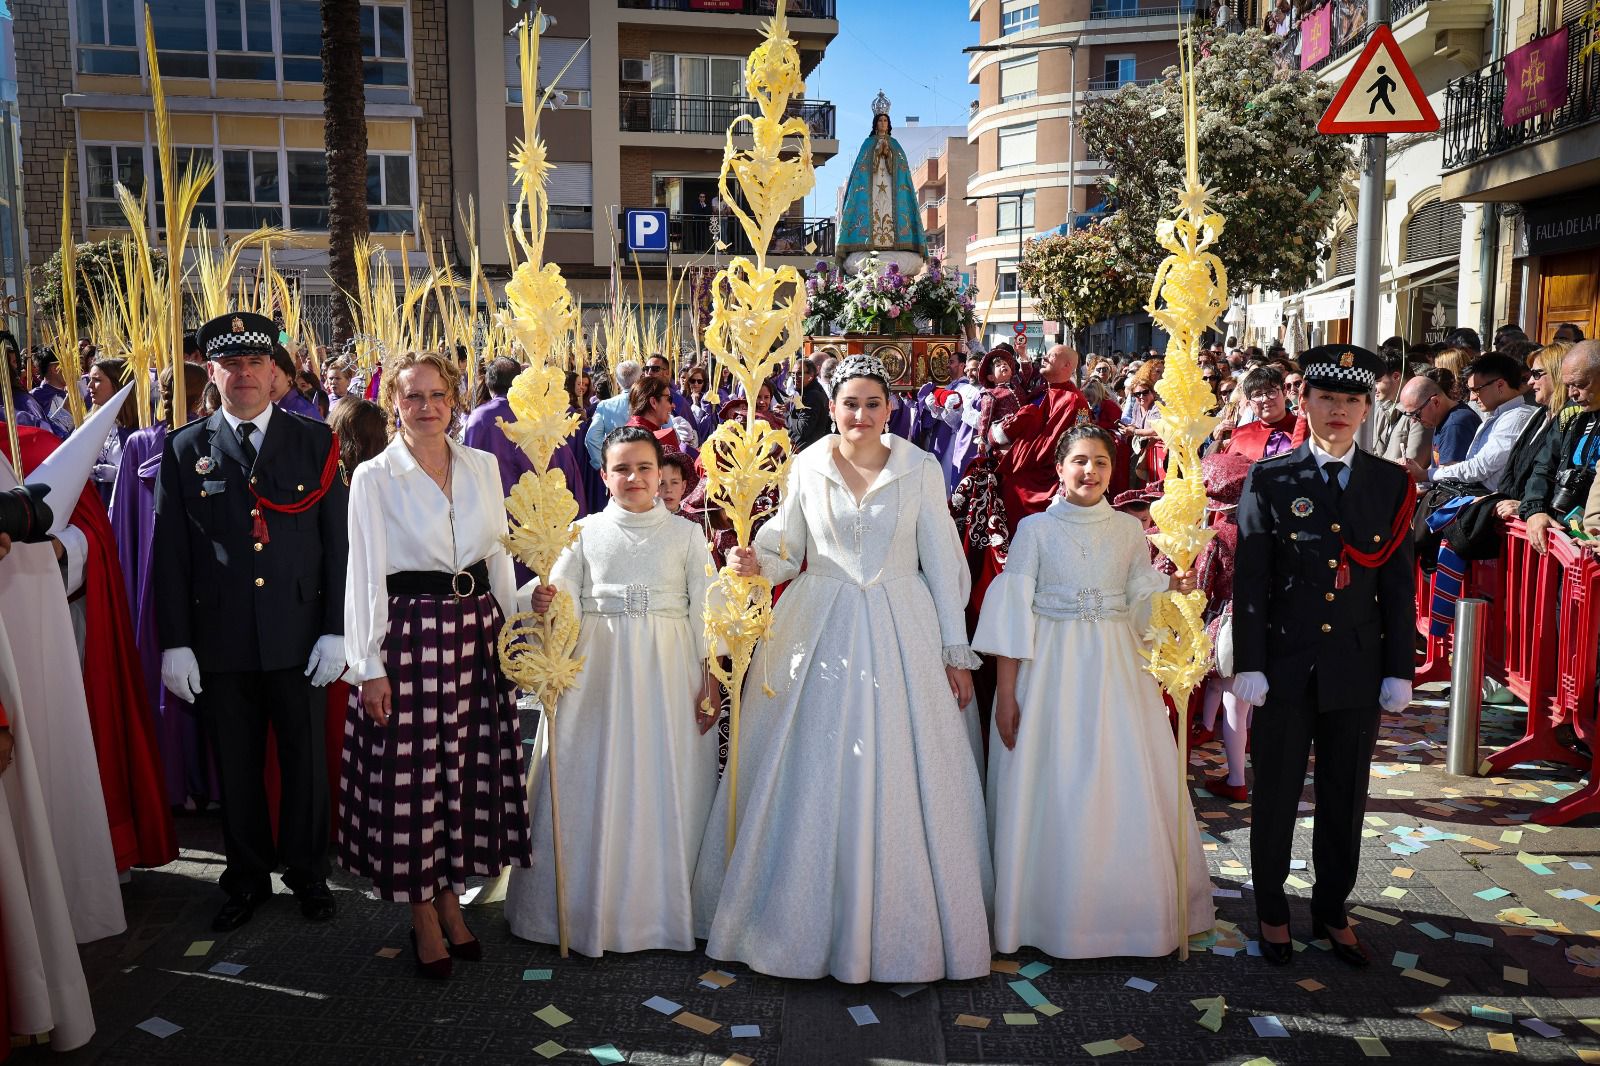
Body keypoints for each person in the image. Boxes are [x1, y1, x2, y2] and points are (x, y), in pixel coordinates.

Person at [695, 354, 992, 984]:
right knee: (809, 760)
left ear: (890, 408)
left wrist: (954, 650)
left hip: (902, 623)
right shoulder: (806, 465)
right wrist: (755, 563)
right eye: (850, 403)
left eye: (872, 404)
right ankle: (788, 921)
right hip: (818, 620)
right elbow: (788, 547)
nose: (861, 414)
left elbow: (943, 563)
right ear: (831, 408)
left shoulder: (919, 468)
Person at [975, 424, 1212, 958]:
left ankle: (1127, 912)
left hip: (1116, 671)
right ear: (1060, 468)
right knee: (1053, 779)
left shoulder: (1129, 530)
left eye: (1101, 462)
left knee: (1118, 776)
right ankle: (1043, 913)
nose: (1090, 471)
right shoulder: (1035, 529)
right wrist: (1007, 695)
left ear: (1113, 470)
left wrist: (1169, 591)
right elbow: (1013, 615)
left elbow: (1140, 601)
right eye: (1079, 460)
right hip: (1050, 673)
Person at [154, 311, 348, 932]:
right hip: (222, 638)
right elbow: (171, 554)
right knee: (236, 768)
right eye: (231, 364)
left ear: (274, 372)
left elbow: (338, 544)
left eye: (255, 362)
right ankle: (246, 878)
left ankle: (308, 874)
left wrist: (337, 627)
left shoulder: (314, 441)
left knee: (305, 765)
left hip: (299, 634)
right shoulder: (185, 448)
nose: (244, 374)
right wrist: (176, 643)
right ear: (211, 373)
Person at [339, 350, 530, 979]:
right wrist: (368, 664)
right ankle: (422, 910)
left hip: (476, 633)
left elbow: (498, 556)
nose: (427, 407)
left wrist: (515, 631)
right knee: (414, 779)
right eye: (413, 396)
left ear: (455, 399)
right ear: (394, 402)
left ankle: (451, 896)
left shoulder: (482, 465)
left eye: (437, 395)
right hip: (409, 637)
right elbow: (364, 573)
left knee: (462, 773)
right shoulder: (373, 476)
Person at [1233, 344, 1416, 968]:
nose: (1339, 410)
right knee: (1276, 793)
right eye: (1327, 397)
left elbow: (1398, 585)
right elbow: (1252, 578)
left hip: (1357, 666)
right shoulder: (1272, 477)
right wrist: (1250, 661)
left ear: (1367, 409)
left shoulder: (1390, 483)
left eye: (1352, 399)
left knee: (1346, 794)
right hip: (1286, 662)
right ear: (1304, 400)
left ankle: (1333, 907)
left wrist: (1398, 669)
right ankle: (1272, 907)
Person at [506, 426, 718, 956]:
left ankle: (662, 909)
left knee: (662, 772)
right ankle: (580, 907)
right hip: (597, 672)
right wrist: (544, 600)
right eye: (622, 468)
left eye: (644, 468)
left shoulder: (687, 536)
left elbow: (706, 609)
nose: (634, 478)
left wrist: (710, 677)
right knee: (596, 772)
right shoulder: (582, 532)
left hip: (668, 671)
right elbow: (561, 590)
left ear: (661, 474)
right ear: (604, 475)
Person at [109, 362, 214, 810]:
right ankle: (176, 778)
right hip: (158, 572)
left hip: (198, 574)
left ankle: (205, 779)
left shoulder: (212, 439)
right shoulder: (141, 444)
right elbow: (127, 516)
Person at [1517, 340, 1600, 553]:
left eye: (1580, 384)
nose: (1572, 394)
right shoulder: (1571, 415)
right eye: (1567, 385)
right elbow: (1544, 465)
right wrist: (1534, 509)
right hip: (1568, 535)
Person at [1434, 353, 1538, 495]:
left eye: (1476, 390)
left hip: (1494, 501)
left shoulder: (1517, 417)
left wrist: (1430, 474)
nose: (1472, 397)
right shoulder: (1501, 415)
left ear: (1500, 385)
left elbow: (1480, 468)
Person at [1397, 374, 1481, 481]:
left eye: (1416, 414)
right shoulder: (1444, 419)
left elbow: (1448, 478)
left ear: (1435, 402)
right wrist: (1417, 470)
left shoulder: (1455, 425)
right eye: (1410, 416)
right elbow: (1437, 468)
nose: (1413, 420)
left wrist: (1421, 475)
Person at [86, 358, 139, 505]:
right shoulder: (89, 424)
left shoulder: (142, 426)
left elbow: (150, 473)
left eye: (97, 380)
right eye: (90, 379)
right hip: (97, 506)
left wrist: (118, 473)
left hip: (125, 506)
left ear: (117, 384)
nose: (89, 385)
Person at [1373, 351, 1431, 468]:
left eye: (1377, 382)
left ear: (1396, 377)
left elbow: (1415, 464)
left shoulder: (1420, 411)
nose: (1374, 388)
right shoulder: (1381, 409)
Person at [584, 360, 642, 469]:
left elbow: (591, 438)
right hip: (646, 466)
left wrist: (604, 466)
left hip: (617, 465)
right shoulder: (651, 401)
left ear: (618, 381)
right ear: (640, 378)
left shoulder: (605, 405)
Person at [786, 357, 833, 452]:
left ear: (811, 376)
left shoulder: (813, 395)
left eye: (799, 373)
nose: (795, 377)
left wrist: (785, 415)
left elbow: (803, 428)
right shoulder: (806, 391)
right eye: (793, 373)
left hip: (807, 451)